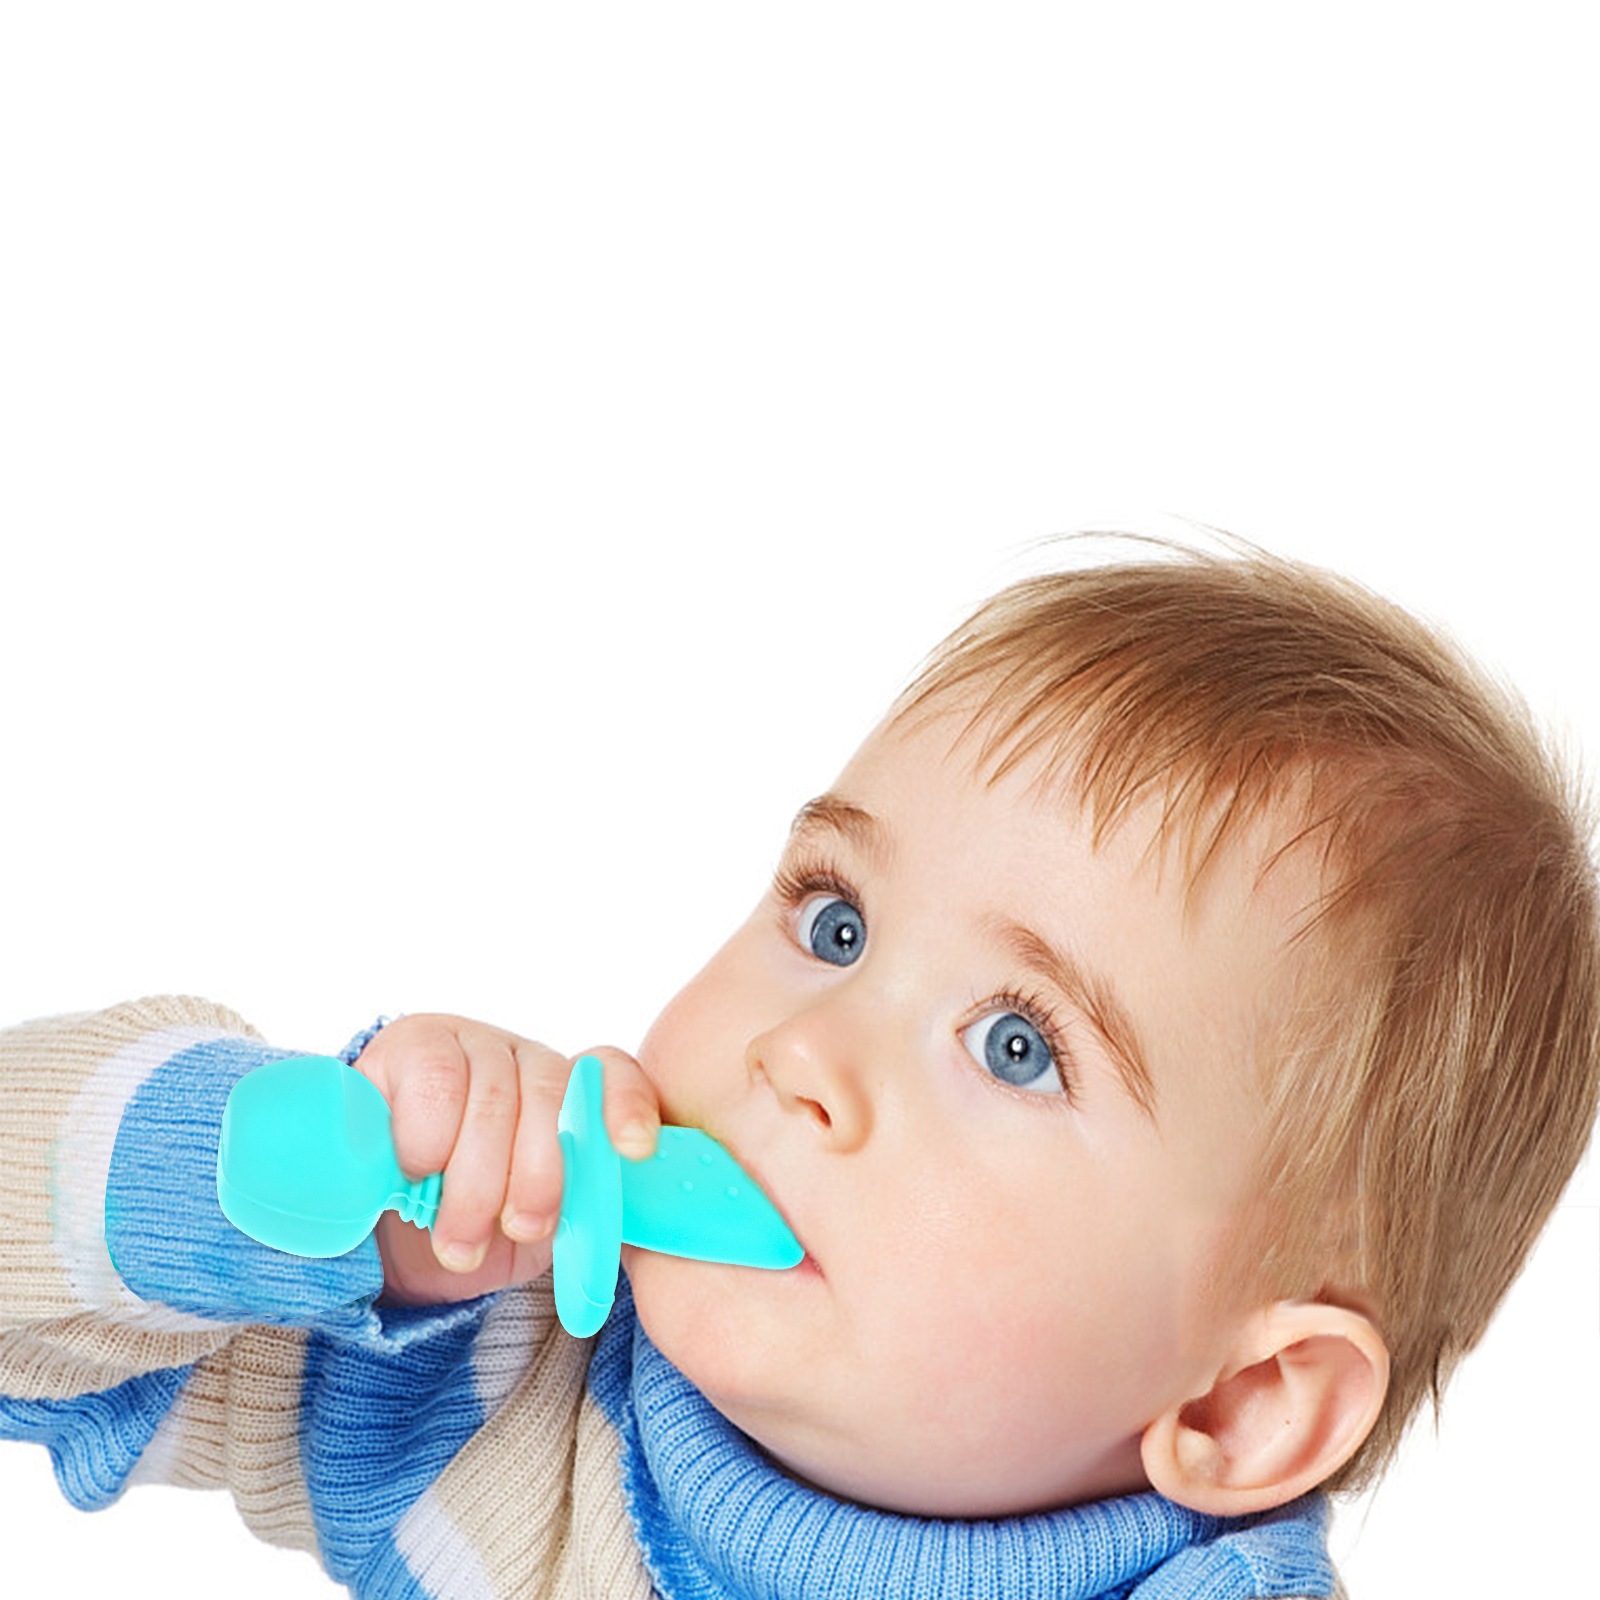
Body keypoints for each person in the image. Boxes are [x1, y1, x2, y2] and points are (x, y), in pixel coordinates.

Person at [4, 541, 1596, 1599]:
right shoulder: (497, 1389)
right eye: (836, 924)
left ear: (1243, 1405)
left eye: (1018, 1046)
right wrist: (306, 1193)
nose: (802, 1051)